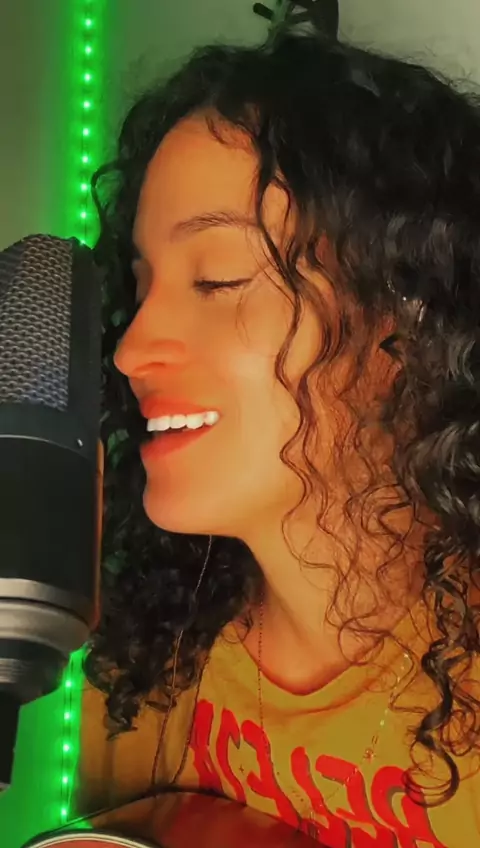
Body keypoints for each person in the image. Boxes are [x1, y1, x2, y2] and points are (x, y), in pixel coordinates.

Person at [77, 29, 480, 848]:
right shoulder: (145, 666)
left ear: (410, 320)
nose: (130, 349)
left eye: (217, 279)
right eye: (141, 288)